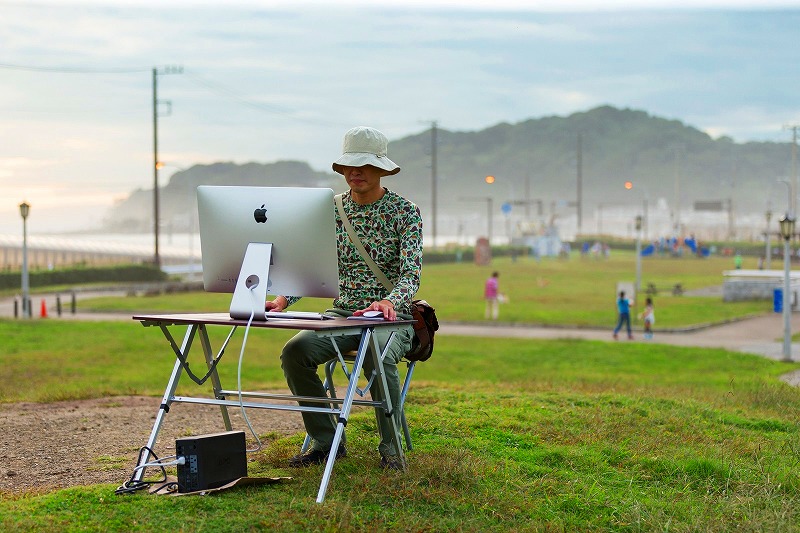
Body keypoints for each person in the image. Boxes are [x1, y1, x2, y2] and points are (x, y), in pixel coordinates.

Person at [266, 126, 422, 470]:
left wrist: (390, 302)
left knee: (378, 356)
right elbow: (313, 264)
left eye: (364, 166)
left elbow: (411, 273)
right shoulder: (330, 210)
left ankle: (391, 450)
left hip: (392, 318)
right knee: (296, 352)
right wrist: (282, 300)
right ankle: (326, 442)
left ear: (381, 169)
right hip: (341, 314)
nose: (356, 173)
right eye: (350, 165)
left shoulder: (405, 211)